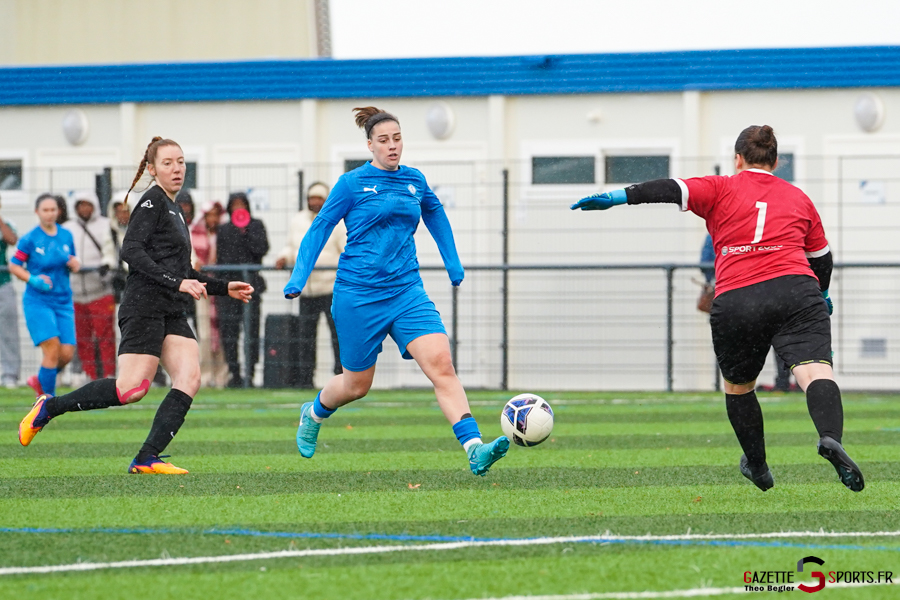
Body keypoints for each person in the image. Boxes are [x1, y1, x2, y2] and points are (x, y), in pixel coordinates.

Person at [571, 124, 863, 493]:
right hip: (796, 290)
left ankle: (757, 466)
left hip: (737, 297)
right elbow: (821, 258)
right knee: (815, 371)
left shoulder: (720, 186)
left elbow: (665, 189)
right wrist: (819, 293)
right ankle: (829, 437)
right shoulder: (798, 197)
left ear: (738, 159)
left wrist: (614, 197)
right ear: (775, 162)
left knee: (739, 388)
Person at [284, 106, 509, 476]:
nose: (392, 146)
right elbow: (320, 228)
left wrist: (452, 261)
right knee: (357, 385)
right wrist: (299, 277)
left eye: (397, 138)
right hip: (358, 294)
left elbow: (435, 214)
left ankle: (474, 447)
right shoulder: (351, 184)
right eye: (384, 141)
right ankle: (314, 412)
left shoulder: (415, 181)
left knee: (442, 365)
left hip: (407, 291)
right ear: (370, 145)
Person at [17, 136, 254, 475]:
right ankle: (49, 407)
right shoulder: (151, 202)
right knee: (131, 390)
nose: (177, 169)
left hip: (171, 308)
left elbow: (184, 270)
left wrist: (222, 287)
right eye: (168, 163)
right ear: (153, 168)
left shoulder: (175, 209)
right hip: (144, 305)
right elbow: (131, 251)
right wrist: (178, 283)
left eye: (181, 161)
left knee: (189, 377)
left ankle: (147, 457)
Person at [275, 182, 346, 388]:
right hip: (305, 290)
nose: (314, 202)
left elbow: (346, 249)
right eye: (311, 198)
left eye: (319, 198)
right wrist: (283, 257)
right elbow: (293, 247)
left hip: (331, 288)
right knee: (305, 337)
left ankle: (341, 376)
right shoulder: (298, 220)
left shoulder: (338, 221)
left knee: (337, 335)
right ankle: (305, 378)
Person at [9, 194, 80, 398]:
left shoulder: (66, 235)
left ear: (58, 211)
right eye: (45, 210)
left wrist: (75, 264)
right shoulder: (30, 239)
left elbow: (71, 259)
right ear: (37, 212)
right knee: (52, 349)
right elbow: (15, 265)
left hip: (63, 301)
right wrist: (32, 279)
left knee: (66, 354)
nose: (50, 214)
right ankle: (47, 400)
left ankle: (40, 380)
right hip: (38, 301)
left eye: (53, 210)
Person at [217, 191, 269, 388]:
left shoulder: (256, 225)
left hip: (250, 288)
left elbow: (261, 250)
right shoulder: (224, 230)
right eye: (234, 204)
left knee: (252, 331)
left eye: (242, 204)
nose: (238, 208)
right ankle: (235, 373)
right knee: (229, 333)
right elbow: (223, 257)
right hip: (230, 290)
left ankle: (250, 373)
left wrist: (246, 232)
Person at [64, 190, 117, 381]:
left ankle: (109, 375)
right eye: (81, 205)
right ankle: (90, 375)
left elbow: (113, 251)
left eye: (88, 204)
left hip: (100, 290)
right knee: (83, 338)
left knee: (105, 337)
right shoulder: (67, 228)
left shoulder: (105, 225)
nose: (84, 208)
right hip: (76, 292)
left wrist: (106, 267)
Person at [191, 200, 229, 388]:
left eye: (216, 215)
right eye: (209, 215)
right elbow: (191, 255)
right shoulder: (194, 232)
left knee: (223, 333)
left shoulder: (225, 233)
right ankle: (205, 376)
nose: (213, 219)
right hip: (202, 288)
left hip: (222, 289)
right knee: (205, 334)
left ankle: (222, 376)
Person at [0, 192, 21, 389]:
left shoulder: (6, 223)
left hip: (3, 283)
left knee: (8, 330)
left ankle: (10, 374)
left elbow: (12, 239)